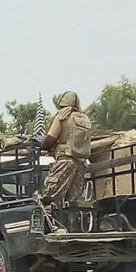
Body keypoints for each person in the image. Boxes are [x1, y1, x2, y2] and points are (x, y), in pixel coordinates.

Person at [38, 90, 92, 231]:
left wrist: (41, 145)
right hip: (81, 163)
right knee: (73, 201)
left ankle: (50, 229)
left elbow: (50, 139)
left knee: (49, 197)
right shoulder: (84, 119)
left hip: (65, 160)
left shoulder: (62, 117)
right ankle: (73, 229)